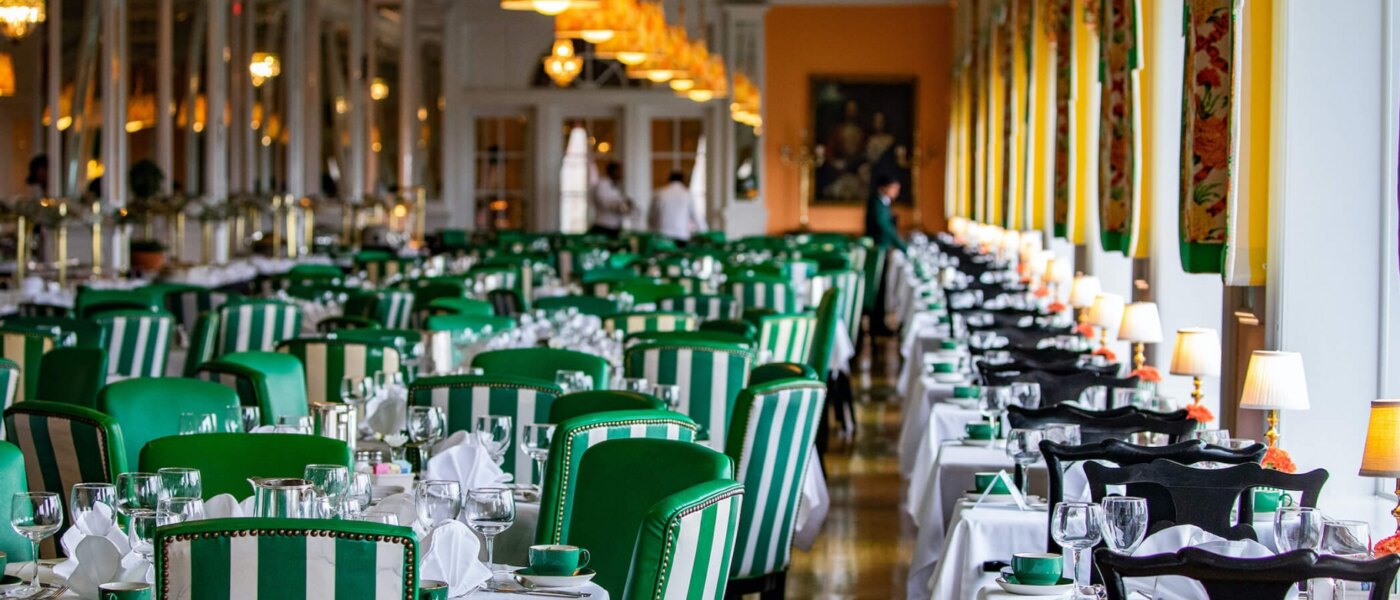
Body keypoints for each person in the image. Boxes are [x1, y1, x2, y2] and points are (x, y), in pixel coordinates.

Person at [865, 174, 907, 336]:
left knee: (882, 287)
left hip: (882, 250)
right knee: (879, 288)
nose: (896, 191)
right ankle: (877, 326)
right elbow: (886, 229)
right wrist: (904, 247)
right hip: (877, 251)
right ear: (884, 187)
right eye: (894, 188)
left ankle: (879, 324)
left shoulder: (882, 203)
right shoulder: (877, 203)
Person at [649, 171, 706, 244]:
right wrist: (704, 233)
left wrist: (652, 230)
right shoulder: (687, 195)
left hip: (662, 237)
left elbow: (651, 217)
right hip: (681, 236)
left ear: (669, 180)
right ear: (683, 180)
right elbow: (697, 217)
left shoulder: (659, 194)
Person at [589, 162, 632, 237]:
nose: (621, 173)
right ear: (612, 171)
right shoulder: (602, 184)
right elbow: (605, 203)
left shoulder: (617, 186)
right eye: (619, 171)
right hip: (603, 226)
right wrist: (621, 206)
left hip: (615, 227)